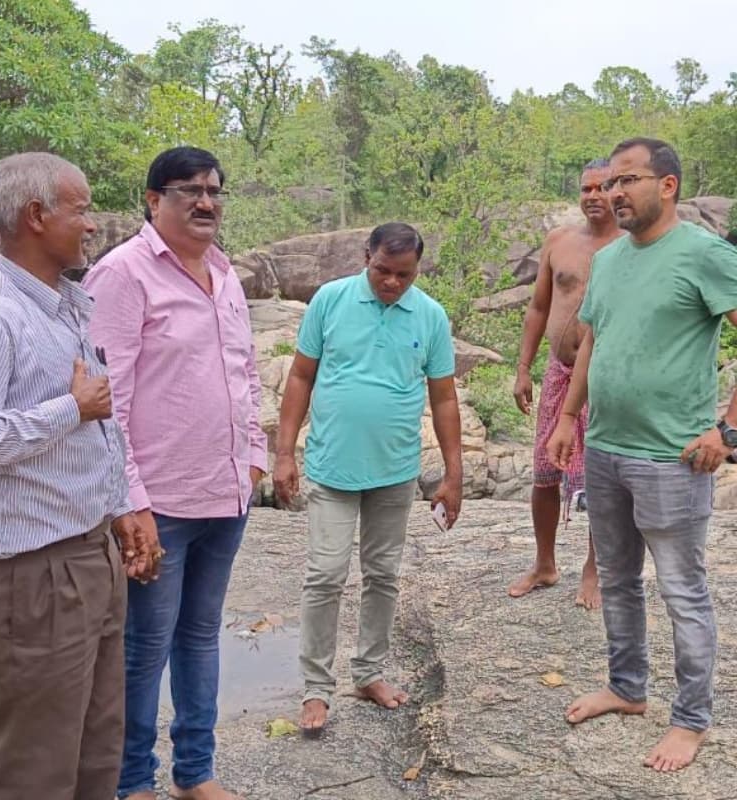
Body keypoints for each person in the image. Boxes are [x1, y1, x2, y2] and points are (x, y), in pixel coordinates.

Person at [0, 152, 156, 800]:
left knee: (95, 753)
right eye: (80, 209)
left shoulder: (68, 310)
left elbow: (98, 430)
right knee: (35, 771)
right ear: (36, 216)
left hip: (89, 557)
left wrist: (120, 508)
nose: (92, 225)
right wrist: (69, 409)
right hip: (33, 576)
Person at [548, 137, 737, 772]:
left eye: (627, 181)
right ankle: (627, 688)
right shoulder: (613, 260)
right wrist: (570, 417)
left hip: (671, 457)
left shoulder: (705, 256)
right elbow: (594, 340)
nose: (612, 193)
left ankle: (691, 720)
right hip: (605, 448)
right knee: (620, 580)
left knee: (682, 590)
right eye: (608, 183)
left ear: (668, 187)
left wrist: (727, 431)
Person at [84, 146, 267, 800]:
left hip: (225, 494)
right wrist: (129, 502)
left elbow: (244, 374)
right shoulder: (122, 275)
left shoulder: (224, 273)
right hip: (157, 504)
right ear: (152, 200)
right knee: (143, 649)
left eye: (214, 191)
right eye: (188, 191)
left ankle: (196, 773)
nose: (206, 203)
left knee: (200, 636)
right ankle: (133, 781)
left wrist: (254, 457)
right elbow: (108, 403)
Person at [274, 223, 463, 736]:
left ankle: (369, 673)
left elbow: (443, 396)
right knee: (326, 575)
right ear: (366, 258)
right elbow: (300, 376)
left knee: (382, 574)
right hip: (332, 467)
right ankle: (316, 687)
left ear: (417, 269)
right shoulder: (330, 301)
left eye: (404, 274)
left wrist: (454, 471)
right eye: (383, 270)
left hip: (395, 472)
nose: (392, 283)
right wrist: (284, 452)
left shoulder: (430, 314)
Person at [508, 160, 623, 609]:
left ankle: (594, 570)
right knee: (544, 472)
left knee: (599, 476)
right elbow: (538, 307)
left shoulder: (629, 246)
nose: (593, 195)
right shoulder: (559, 241)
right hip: (558, 372)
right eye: (586, 188)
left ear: (618, 190)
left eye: (603, 187)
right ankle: (545, 563)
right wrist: (522, 367)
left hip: (605, 377)